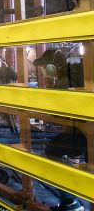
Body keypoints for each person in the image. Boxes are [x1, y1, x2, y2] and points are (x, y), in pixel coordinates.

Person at [33, 50, 86, 211]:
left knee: (50, 152)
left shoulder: (64, 81)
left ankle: (71, 202)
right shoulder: (74, 73)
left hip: (83, 133)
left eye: (44, 66)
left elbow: (54, 111)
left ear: (52, 66)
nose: (43, 70)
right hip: (82, 130)